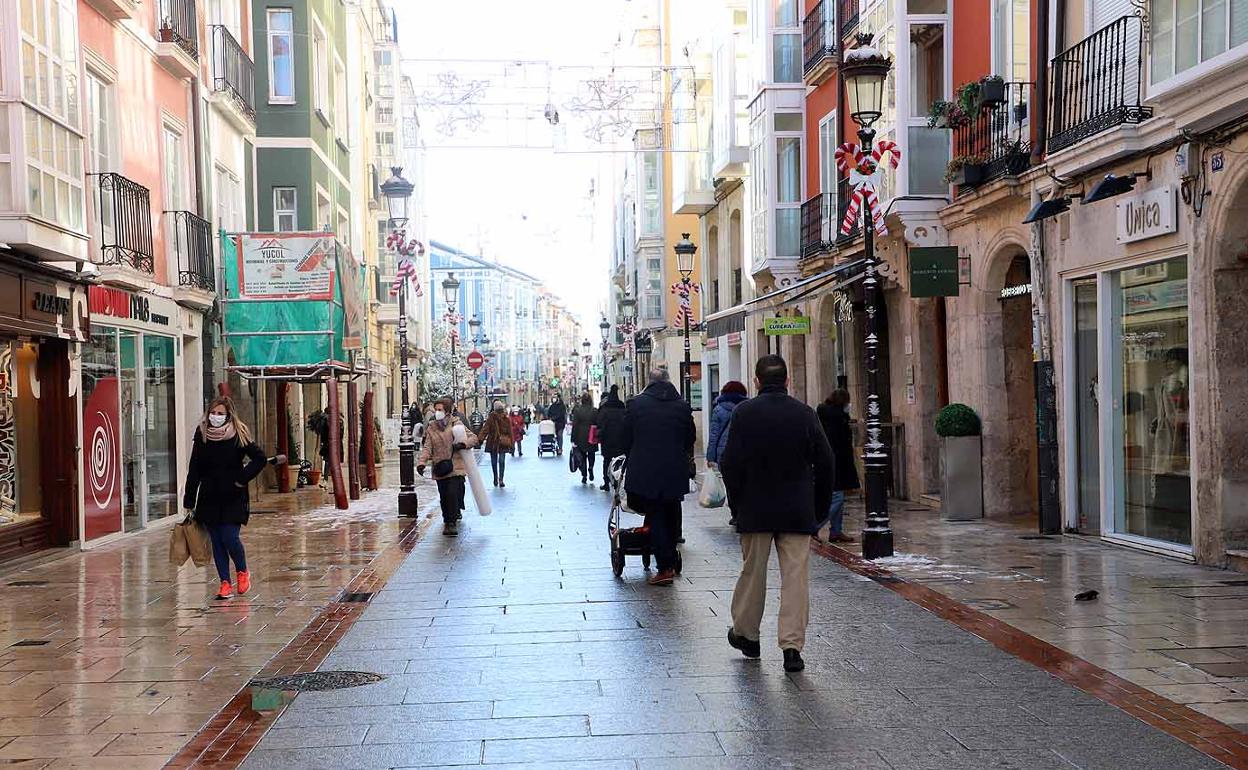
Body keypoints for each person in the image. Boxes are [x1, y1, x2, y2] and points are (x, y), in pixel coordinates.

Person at [720, 355, 834, 672]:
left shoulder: (744, 413)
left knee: (752, 573)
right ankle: (792, 648)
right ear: (787, 381)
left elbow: (731, 464)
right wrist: (819, 510)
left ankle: (747, 635)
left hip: (755, 509)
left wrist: (737, 505)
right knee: (795, 579)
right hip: (797, 510)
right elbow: (826, 463)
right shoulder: (804, 414)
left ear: (756, 382)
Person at [183, 397, 271, 600]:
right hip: (209, 496)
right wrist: (189, 499)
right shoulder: (202, 434)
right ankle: (224, 582)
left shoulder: (238, 433)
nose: (216, 417)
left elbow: (260, 459)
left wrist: (242, 479)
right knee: (217, 542)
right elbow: (194, 468)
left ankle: (242, 572)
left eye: (220, 413)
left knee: (230, 538)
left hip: (233, 495)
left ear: (228, 415)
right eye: (213, 412)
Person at [622, 368, 695, 586]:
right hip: (674, 470)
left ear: (649, 382)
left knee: (655, 515)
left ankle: (664, 567)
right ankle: (668, 560)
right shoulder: (682, 406)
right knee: (670, 514)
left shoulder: (636, 405)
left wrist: (635, 454)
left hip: (645, 471)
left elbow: (626, 436)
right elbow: (689, 437)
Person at [417, 397, 479, 536]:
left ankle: (450, 523)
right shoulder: (432, 427)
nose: (437, 412)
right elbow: (427, 447)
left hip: (455, 466)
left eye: (440, 410)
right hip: (440, 466)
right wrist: (421, 463)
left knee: (452, 493)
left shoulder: (457, 425)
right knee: (444, 496)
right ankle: (448, 518)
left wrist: (463, 444)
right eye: (436, 409)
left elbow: (474, 438)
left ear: (447, 411)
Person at [816, 388, 860, 543]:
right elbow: (839, 442)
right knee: (837, 497)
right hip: (835, 463)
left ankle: (836, 531)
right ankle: (815, 526)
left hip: (834, 462)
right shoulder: (836, 418)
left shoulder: (828, 415)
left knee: (838, 498)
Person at [706, 380, 748, 524]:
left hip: (725, 453)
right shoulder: (747, 408)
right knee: (744, 483)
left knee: (730, 484)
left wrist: (711, 457)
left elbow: (714, 435)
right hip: (744, 451)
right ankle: (743, 511)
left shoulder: (719, 409)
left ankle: (735, 513)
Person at [595, 385, 628, 491]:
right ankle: (619, 480)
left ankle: (606, 482)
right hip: (620, 438)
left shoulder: (605, 408)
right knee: (620, 460)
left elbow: (599, 422)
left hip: (607, 438)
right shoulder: (621, 406)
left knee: (607, 460)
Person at [479, 400, 513, 487]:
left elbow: (509, 431)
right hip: (494, 442)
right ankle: (497, 478)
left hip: (500, 442)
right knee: (498, 461)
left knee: (498, 461)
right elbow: (486, 429)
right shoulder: (492, 418)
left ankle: (500, 479)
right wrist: (480, 439)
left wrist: (480, 439)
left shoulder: (505, 418)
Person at [571, 392, 599, 484]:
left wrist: (573, 438)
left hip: (580, 435)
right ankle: (591, 467)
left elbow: (575, 425)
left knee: (582, 455)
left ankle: (584, 475)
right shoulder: (594, 411)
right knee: (591, 454)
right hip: (591, 434)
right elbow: (597, 423)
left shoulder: (578, 411)